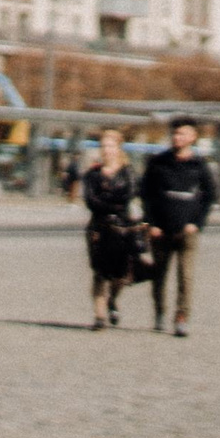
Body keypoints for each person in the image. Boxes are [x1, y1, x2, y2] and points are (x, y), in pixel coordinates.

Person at [139, 118, 215, 336]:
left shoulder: (199, 165)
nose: (177, 137)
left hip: (187, 231)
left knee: (186, 276)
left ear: (192, 137)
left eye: (182, 134)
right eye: (174, 133)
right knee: (159, 275)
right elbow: (145, 194)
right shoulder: (158, 162)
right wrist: (150, 223)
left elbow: (210, 195)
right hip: (161, 230)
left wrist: (197, 223)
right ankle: (160, 312)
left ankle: (182, 317)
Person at [80, 131, 139, 330]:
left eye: (111, 146)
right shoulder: (92, 174)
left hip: (122, 228)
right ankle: (99, 316)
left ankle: (112, 298)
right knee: (99, 272)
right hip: (98, 227)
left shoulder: (127, 172)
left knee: (120, 274)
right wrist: (112, 204)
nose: (107, 150)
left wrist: (107, 202)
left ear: (119, 148)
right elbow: (91, 201)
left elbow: (128, 196)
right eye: (103, 146)